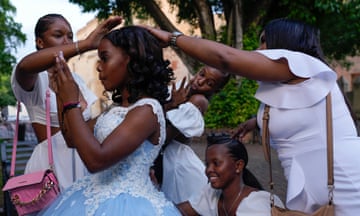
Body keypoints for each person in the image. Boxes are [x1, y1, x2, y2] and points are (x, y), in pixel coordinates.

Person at [144, 18, 360, 215]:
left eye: (264, 41)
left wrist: (173, 38)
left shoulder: (304, 64)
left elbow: (225, 59)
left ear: (286, 42)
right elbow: (294, 114)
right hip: (308, 187)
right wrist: (253, 123)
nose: (258, 50)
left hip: (343, 182)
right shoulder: (290, 83)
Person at [39, 26, 181, 215]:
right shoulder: (116, 111)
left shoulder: (147, 110)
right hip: (91, 196)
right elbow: (71, 138)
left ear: (129, 59)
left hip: (130, 206)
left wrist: (72, 102)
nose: (98, 66)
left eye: (104, 58)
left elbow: (96, 160)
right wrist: (61, 95)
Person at [11, 14, 121, 191]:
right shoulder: (36, 79)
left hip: (85, 161)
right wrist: (84, 44)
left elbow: (87, 126)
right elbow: (24, 66)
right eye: (58, 35)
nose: (67, 41)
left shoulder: (76, 79)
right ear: (40, 42)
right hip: (52, 167)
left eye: (70, 36)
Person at [153, 65, 230, 204]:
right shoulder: (180, 90)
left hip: (174, 164)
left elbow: (162, 138)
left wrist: (171, 105)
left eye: (209, 83)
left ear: (216, 90)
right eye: (202, 74)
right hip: (161, 158)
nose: (200, 81)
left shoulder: (198, 100)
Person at [177, 133, 283, 216]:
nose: (209, 170)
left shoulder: (256, 205)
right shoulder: (212, 194)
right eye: (207, 164)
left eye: (216, 163)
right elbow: (180, 210)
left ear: (238, 166)